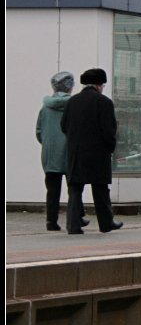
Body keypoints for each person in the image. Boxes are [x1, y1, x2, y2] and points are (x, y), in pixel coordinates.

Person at [61, 68, 122, 234]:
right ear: (99, 85)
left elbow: (63, 126)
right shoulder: (104, 103)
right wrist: (110, 148)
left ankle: (73, 225)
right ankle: (106, 222)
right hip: (98, 153)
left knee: (75, 190)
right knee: (100, 189)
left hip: (76, 153)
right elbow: (108, 131)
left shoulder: (72, 102)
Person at [35, 71, 90, 231]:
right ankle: (77, 218)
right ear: (70, 87)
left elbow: (39, 132)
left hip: (50, 154)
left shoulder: (45, 108)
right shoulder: (74, 105)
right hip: (70, 152)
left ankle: (51, 221)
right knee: (74, 187)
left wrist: (47, 144)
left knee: (52, 189)